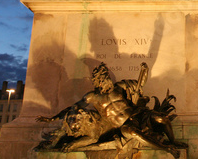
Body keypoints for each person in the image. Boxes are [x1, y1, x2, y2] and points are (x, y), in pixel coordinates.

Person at [37, 62, 181, 157]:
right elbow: (74, 108)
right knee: (132, 132)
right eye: (104, 79)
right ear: (98, 81)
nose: (107, 81)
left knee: (162, 118)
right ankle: (166, 149)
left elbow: (139, 84)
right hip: (122, 126)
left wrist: (145, 70)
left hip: (137, 115)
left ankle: (173, 141)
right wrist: (53, 118)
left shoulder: (119, 87)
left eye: (107, 78)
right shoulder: (92, 97)